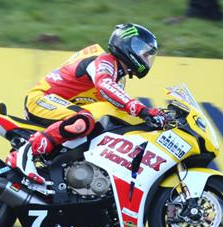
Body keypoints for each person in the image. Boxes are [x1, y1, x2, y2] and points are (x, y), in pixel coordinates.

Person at [9, 23, 166, 184]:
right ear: (128, 44)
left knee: (98, 130)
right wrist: (142, 110)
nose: (147, 59)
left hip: (64, 109)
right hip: (42, 99)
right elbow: (104, 85)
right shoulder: (104, 61)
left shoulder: (118, 78)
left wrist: (152, 119)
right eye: (145, 53)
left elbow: (114, 111)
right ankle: (26, 153)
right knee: (83, 120)